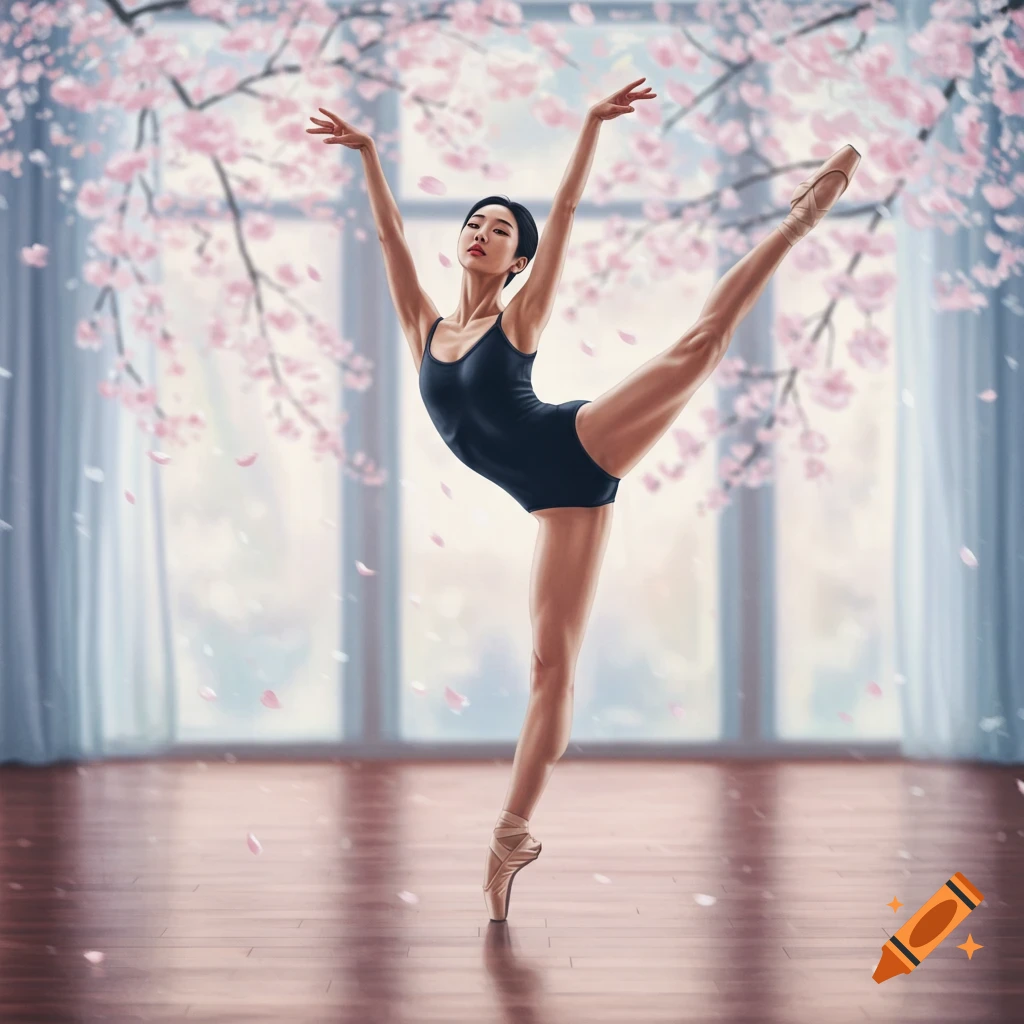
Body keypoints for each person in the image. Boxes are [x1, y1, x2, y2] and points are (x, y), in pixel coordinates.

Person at [307, 77, 861, 922]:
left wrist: (592, 127)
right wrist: (371, 155)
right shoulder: (425, 325)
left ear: (518, 260)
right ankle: (511, 838)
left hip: (573, 443)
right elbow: (385, 234)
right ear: (459, 241)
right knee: (549, 669)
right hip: (554, 501)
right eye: (477, 223)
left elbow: (562, 212)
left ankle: (800, 217)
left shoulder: (517, 316)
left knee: (699, 346)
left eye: (503, 231)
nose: (486, 233)